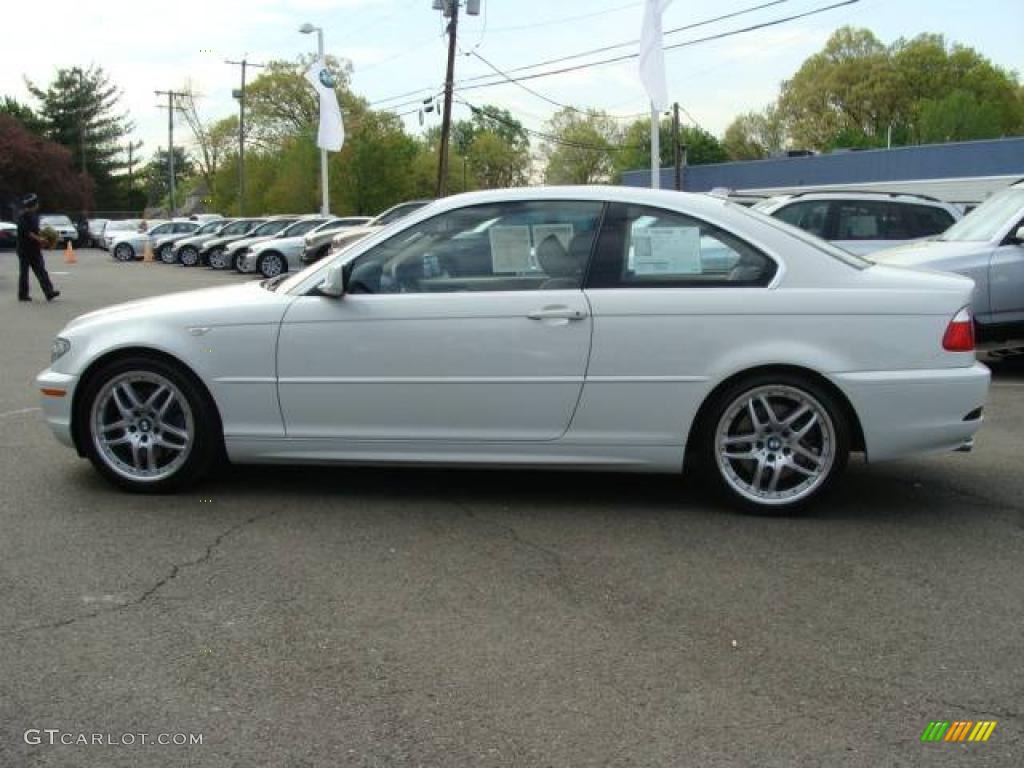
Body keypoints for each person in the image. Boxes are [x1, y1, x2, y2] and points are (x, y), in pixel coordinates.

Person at [16, 193, 59, 302]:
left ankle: (49, 292)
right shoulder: (23, 216)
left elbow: (35, 230)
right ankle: (23, 294)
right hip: (24, 249)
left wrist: (44, 236)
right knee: (24, 273)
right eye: (36, 203)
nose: (38, 205)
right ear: (32, 204)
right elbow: (27, 232)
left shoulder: (35, 216)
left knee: (41, 271)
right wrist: (40, 239)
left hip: (34, 249)